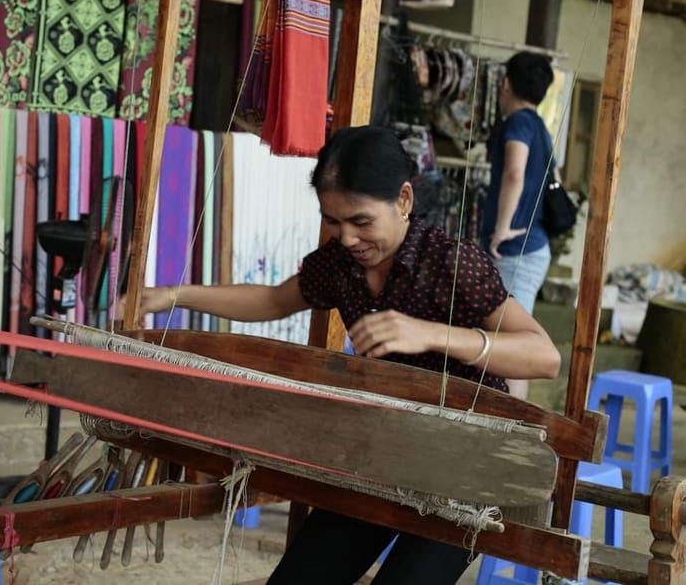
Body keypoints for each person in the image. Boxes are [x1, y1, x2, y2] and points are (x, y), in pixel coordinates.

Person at [132, 125, 561, 585]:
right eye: (333, 222)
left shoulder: (450, 262)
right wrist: (175, 295)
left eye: (361, 221)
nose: (349, 238)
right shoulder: (340, 264)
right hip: (386, 455)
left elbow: (543, 356)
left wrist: (432, 334)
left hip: (465, 466)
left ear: (403, 201)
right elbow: (274, 301)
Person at [481, 51, 557, 400]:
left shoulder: (518, 124)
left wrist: (501, 228)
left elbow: (515, 174)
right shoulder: (540, 126)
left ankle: (512, 425)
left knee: (512, 345)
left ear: (506, 83)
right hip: (531, 246)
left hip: (517, 248)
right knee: (511, 339)